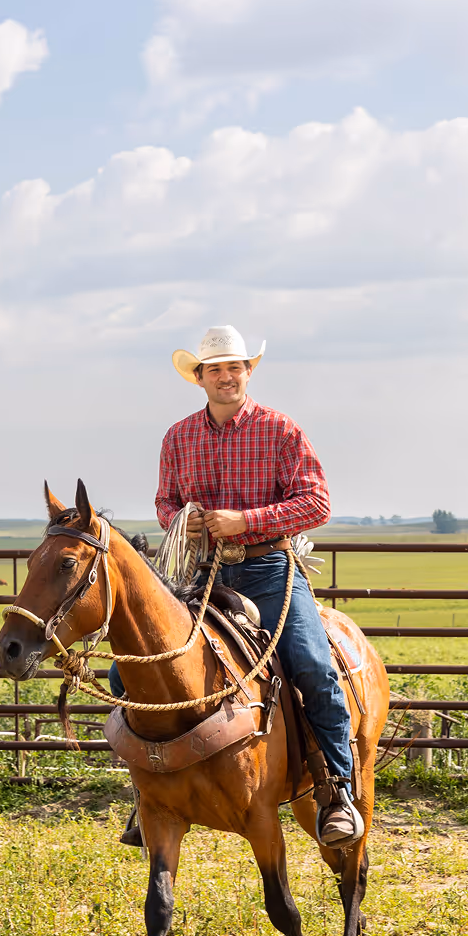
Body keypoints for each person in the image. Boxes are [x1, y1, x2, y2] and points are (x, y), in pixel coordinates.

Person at [116, 324, 361, 847]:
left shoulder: (280, 430)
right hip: (199, 575)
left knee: (314, 668)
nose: (227, 377)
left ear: (248, 371)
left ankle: (336, 787)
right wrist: (184, 519)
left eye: (236, 367)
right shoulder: (178, 437)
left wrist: (244, 521)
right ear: (199, 377)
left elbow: (316, 503)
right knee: (126, 674)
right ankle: (151, 792)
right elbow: (164, 503)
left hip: (268, 569)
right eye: (216, 369)